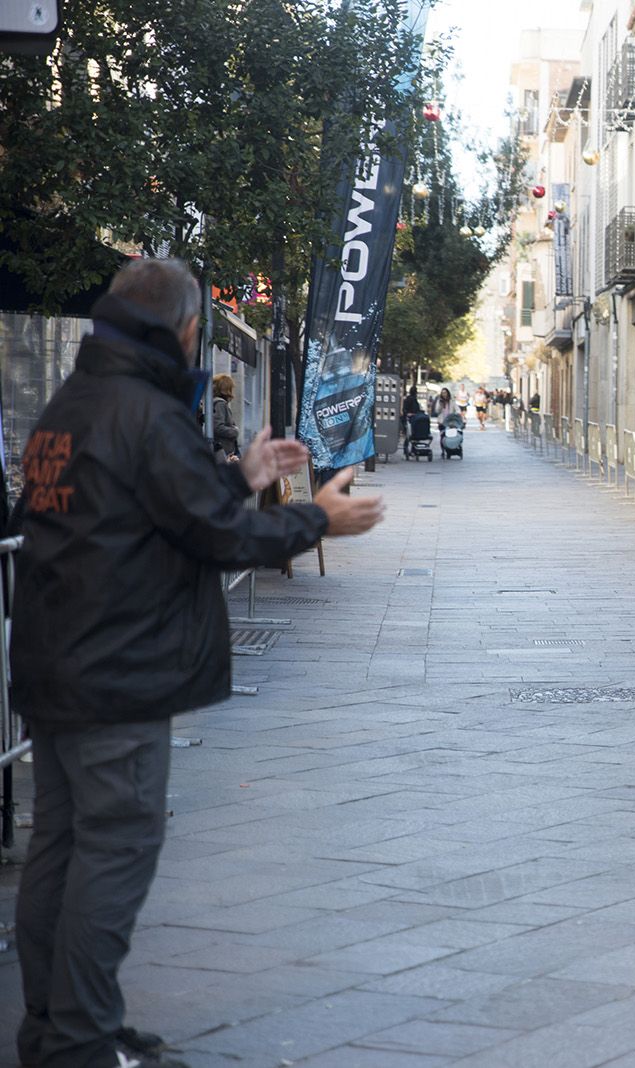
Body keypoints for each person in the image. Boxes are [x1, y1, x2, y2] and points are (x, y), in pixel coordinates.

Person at [7, 258, 386, 1068]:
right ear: (184, 331)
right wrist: (316, 521)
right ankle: (78, 1043)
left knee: (63, 852)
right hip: (117, 678)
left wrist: (240, 475)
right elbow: (219, 536)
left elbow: (155, 505)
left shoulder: (71, 407)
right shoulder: (146, 412)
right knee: (110, 859)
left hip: (57, 665)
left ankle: (58, 1027)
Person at [210, 373, 239, 461]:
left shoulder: (212, 402)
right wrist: (235, 431)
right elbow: (218, 427)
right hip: (222, 450)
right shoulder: (220, 404)